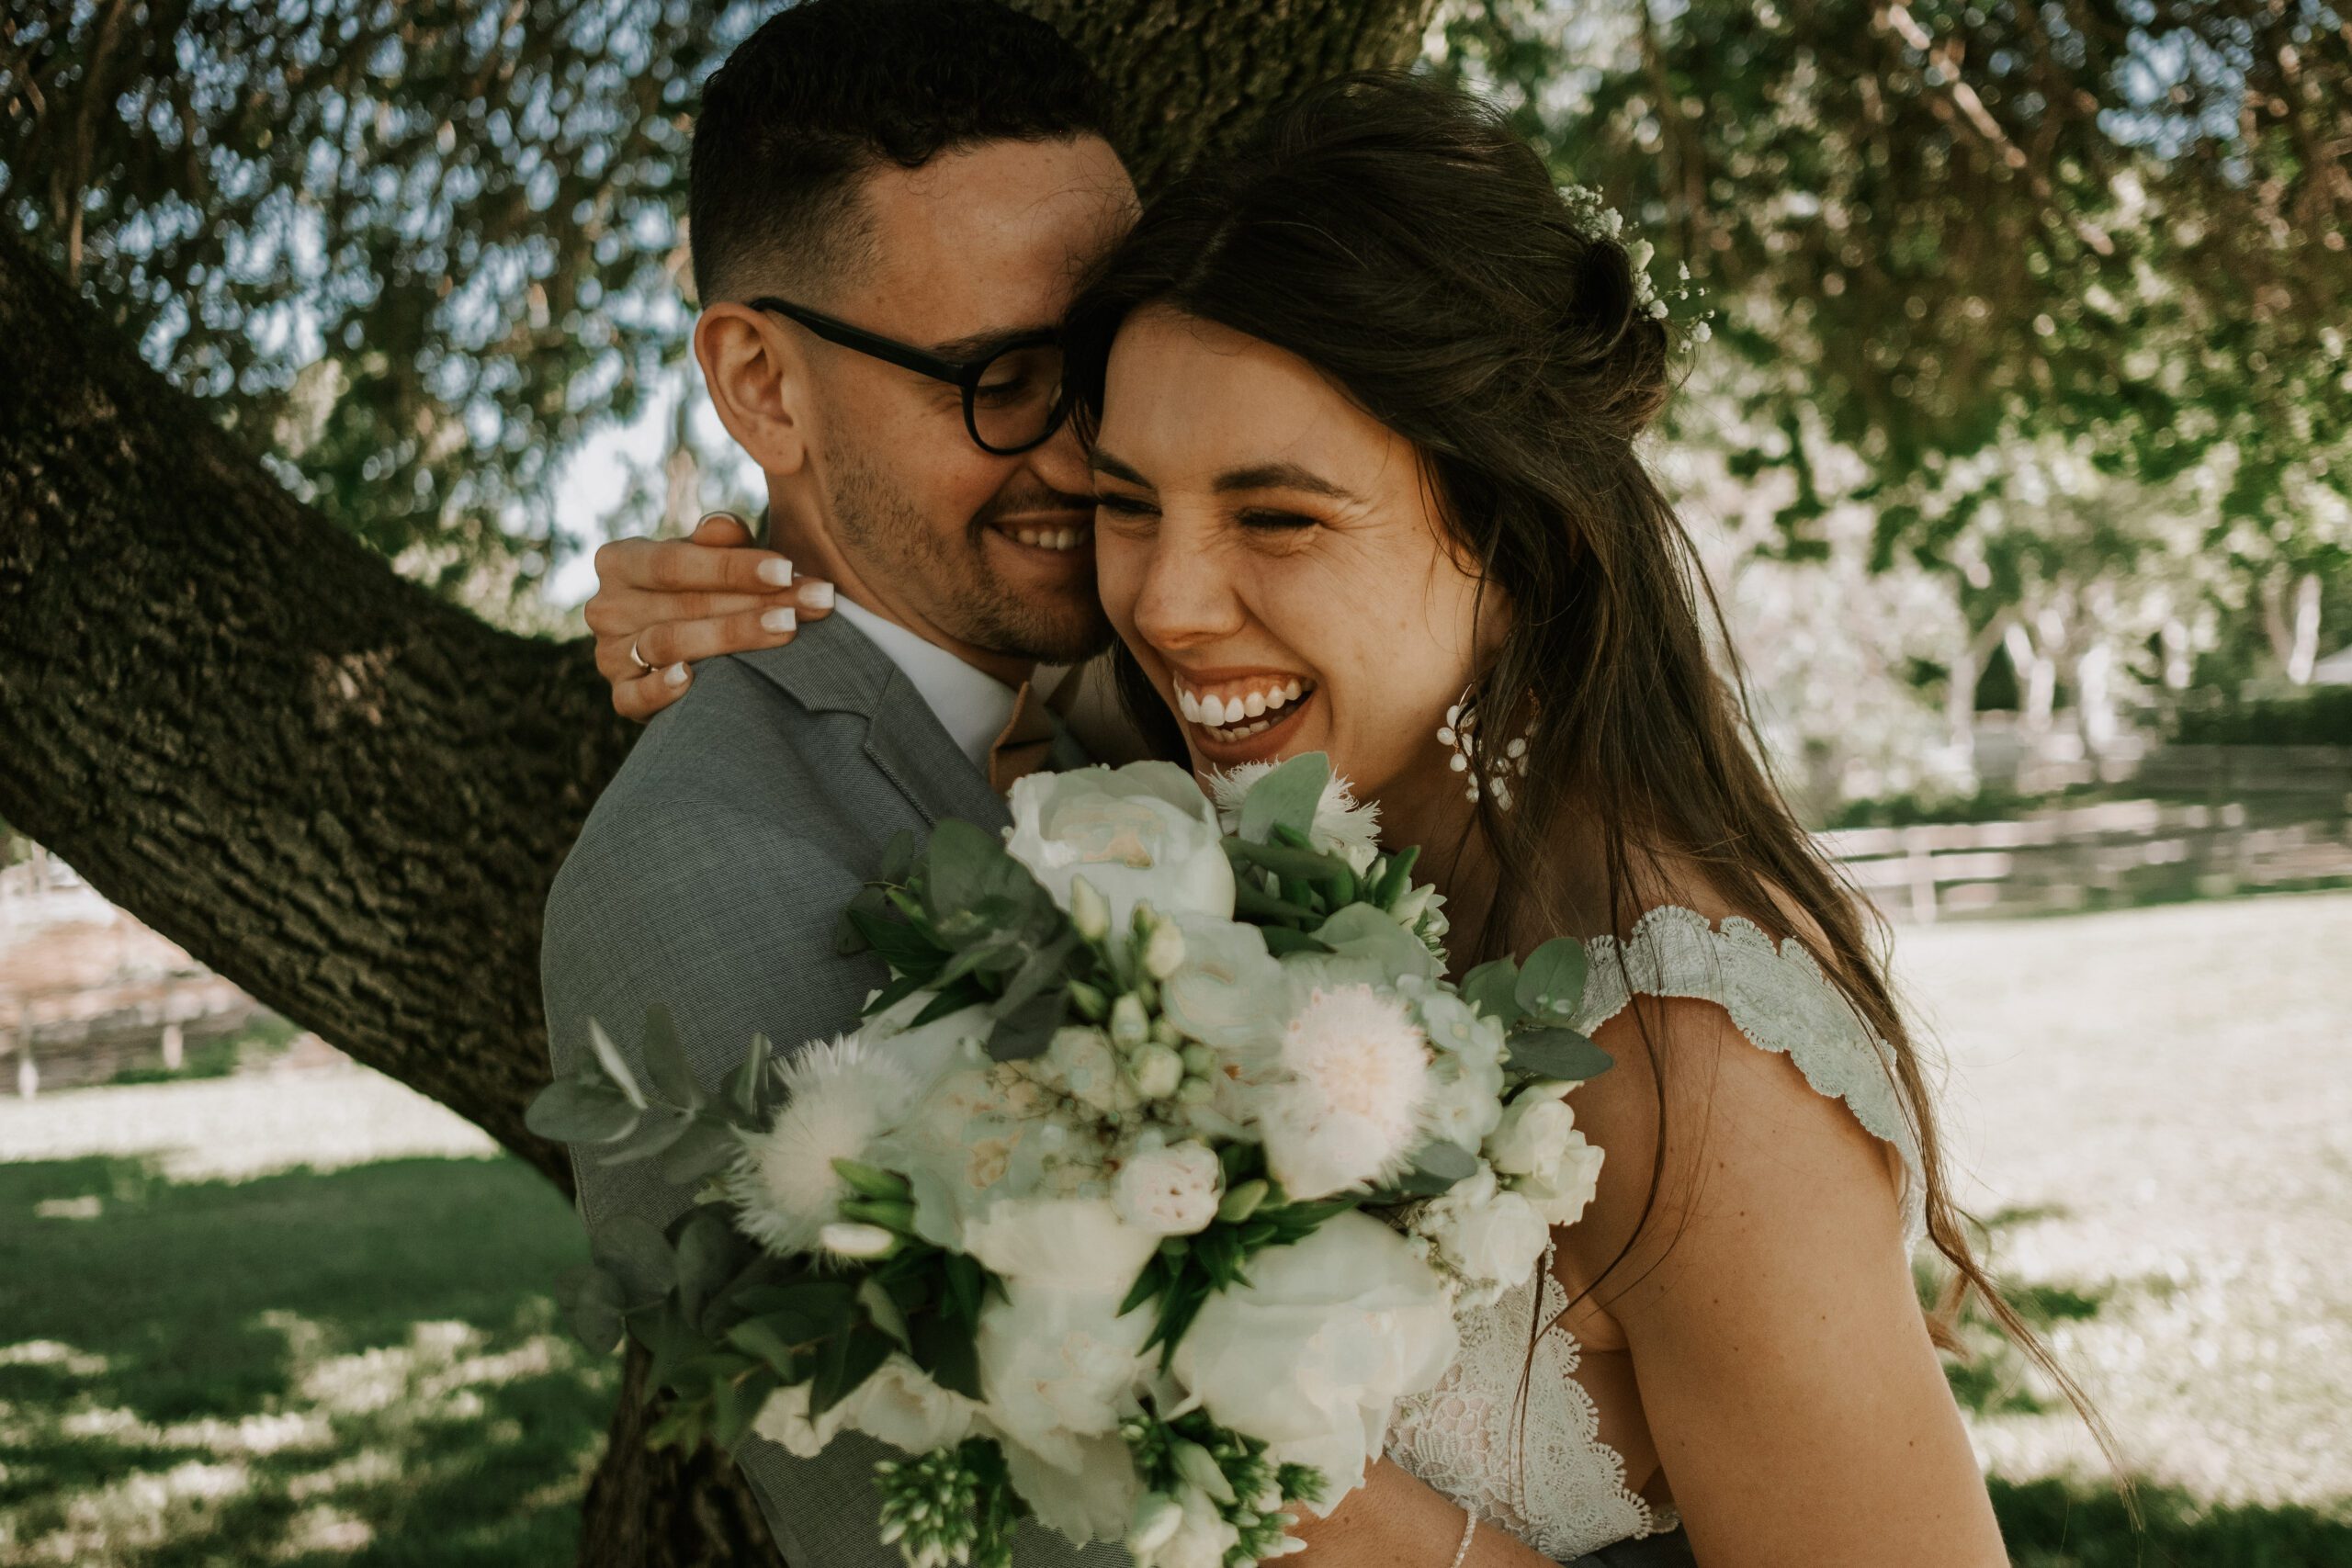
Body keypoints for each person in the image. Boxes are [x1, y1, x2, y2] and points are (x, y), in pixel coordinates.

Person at [591, 71, 2067, 1568]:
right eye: (1127, 499)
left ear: (1514, 529)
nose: (1166, 604)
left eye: (1279, 516)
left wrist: (1253, 1485)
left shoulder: (1688, 1051)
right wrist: (704, 600)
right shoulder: (1179, 803)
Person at [538, 3, 1136, 1565]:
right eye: (1007, 376)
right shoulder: (695, 878)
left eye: (1115, 362)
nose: (1088, 452)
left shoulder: (1148, 704)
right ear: (763, 387)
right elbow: (951, 1528)